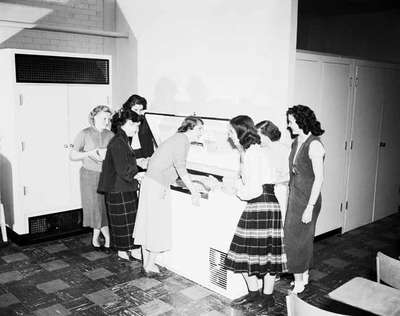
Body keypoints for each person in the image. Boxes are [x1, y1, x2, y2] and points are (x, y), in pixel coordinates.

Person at [223, 115, 287, 309]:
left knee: (265, 255)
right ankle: (254, 294)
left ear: (242, 133)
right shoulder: (250, 151)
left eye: (231, 132)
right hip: (263, 204)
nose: (229, 135)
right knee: (245, 253)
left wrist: (236, 190)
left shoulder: (253, 153)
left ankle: (267, 297)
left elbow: (254, 189)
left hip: (262, 204)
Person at [133, 116, 203, 275]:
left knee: (147, 223)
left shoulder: (175, 139)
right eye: (199, 129)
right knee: (157, 225)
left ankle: (147, 263)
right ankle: (150, 264)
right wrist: (194, 191)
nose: (201, 133)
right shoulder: (182, 140)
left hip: (151, 183)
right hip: (158, 186)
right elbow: (181, 167)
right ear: (189, 128)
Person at [284, 105, 325, 294]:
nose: (289, 125)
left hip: (308, 199)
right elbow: (296, 169)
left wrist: (309, 207)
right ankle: (304, 276)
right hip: (296, 196)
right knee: (300, 238)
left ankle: (298, 281)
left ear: (301, 121)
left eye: (291, 121)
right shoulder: (297, 141)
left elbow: (319, 178)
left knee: (296, 240)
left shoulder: (314, 144)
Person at [97, 108, 141, 261]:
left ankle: (129, 249)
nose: (136, 130)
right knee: (123, 221)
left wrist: (136, 166)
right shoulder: (118, 142)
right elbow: (123, 169)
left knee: (127, 220)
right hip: (118, 187)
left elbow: (124, 163)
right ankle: (124, 250)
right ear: (127, 124)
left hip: (120, 186)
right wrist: (138, 174)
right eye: (135, 126)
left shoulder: (121, 139)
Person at [70, 105, 113, 250]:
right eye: (103, 118)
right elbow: (73, 155)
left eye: (108, 118)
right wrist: (89, 153)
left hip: (106, 175)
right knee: (95, 207)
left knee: (103, 208)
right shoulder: (84, 133)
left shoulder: (110, 135)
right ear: (93, 117)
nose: (106, 121)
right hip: (89, 176)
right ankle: (107, 238)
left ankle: (95, 238)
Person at [255, 120, 290, 223]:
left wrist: (273, 181)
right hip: (264, 192)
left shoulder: (285, 150)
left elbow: (291, 176)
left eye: (258, 136)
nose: (256, 139)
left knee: (279, 222)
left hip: (280, 192)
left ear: (266, 135)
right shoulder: (262, 151)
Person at [122, 94, 154, 169]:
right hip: (128, 155)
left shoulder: (145, 121)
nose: (138, 113)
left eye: (141, 110)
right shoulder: (122, 122)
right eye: (135, 110)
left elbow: (149, 143)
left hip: (143, 154)